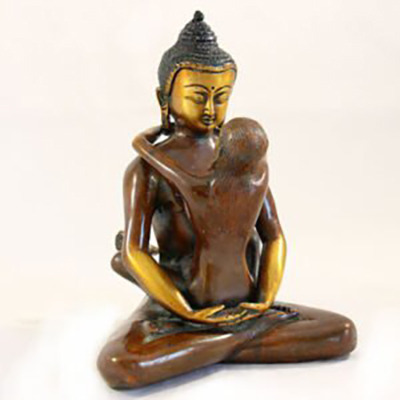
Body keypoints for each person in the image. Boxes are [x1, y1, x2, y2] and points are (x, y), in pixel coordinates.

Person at [98, 11, 356, 389]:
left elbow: (273, 236)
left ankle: (212, 345)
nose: (210, 109)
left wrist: (264, 300)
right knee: (122, 365)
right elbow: (135, 252)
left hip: (245, 305)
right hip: (175, 306)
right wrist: (186, 312)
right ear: (164, 98)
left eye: (221, 98)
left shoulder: (242, 157)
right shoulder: (146, 171)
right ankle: (236, 341)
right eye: (197, 96)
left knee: (341, 331)